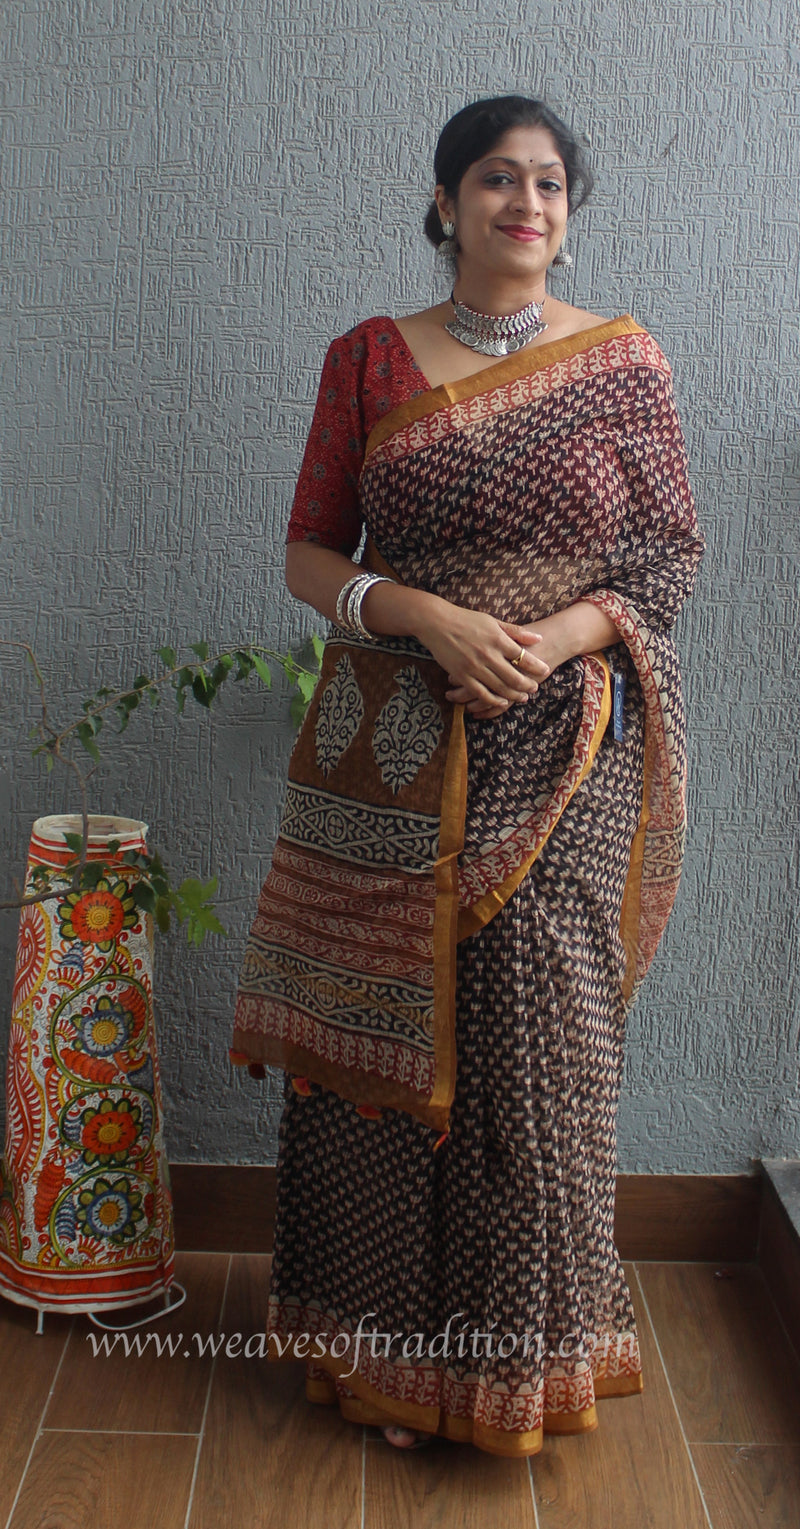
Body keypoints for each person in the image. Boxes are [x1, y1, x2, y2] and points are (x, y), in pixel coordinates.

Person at [231, 94, 704, 1457]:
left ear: (568, 211)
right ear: (446, 203)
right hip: (399, 737)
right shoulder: (370, 361)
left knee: (538, 1041)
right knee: (382, 1042)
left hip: (568, 740)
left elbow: (667, 560)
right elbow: (308, 553)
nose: (526, 204)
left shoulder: (623, 364)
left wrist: (549, 642)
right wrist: (426, 617)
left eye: (549, 183)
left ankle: (514, 1366)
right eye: (498, 178)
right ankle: (388, 1360)